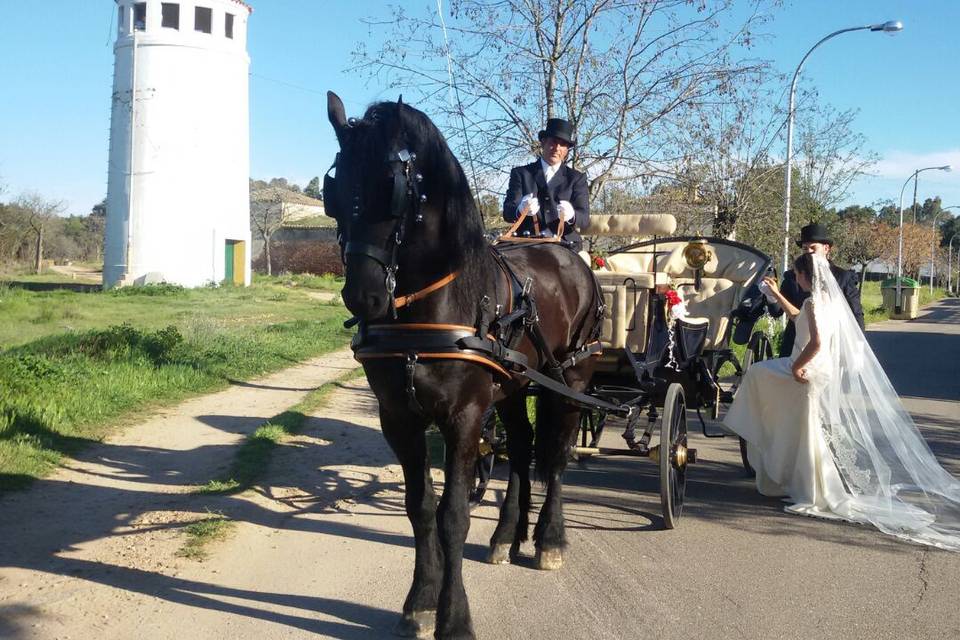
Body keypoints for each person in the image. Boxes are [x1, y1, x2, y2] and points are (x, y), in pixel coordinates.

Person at [724, 252, 960, 551]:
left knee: (757, 374)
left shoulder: (814, 302)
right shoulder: (829, 302)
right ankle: (794, 469)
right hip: (820, 368)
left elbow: (817, 341)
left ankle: (763, 441)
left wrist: (798, 367)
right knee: (799, 421)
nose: (795, 278)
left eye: (796, 274)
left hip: (805, 367)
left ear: (806, 276)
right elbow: (799, 318)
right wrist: (776, 295)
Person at [766, 223, 864, 358]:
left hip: (832, 348)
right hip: (795, 345)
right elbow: (777, 312)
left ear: (826, 248)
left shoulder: (843, 277)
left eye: (813, 247)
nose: (809, 252)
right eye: (805, 248)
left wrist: (858, 345)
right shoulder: (793, 276)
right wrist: (771, 296)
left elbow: (856, 313)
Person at [502, 118, 589, 252]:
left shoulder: (577, 178)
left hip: (565, 245)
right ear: (543, 142)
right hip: (526, 244)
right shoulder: (521, 173)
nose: (557, 148)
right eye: (553, 142)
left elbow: (584, 219)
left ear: (567, 150)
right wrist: (520, 209)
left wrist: (572, 215)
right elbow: (508, 212)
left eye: (562, 144)